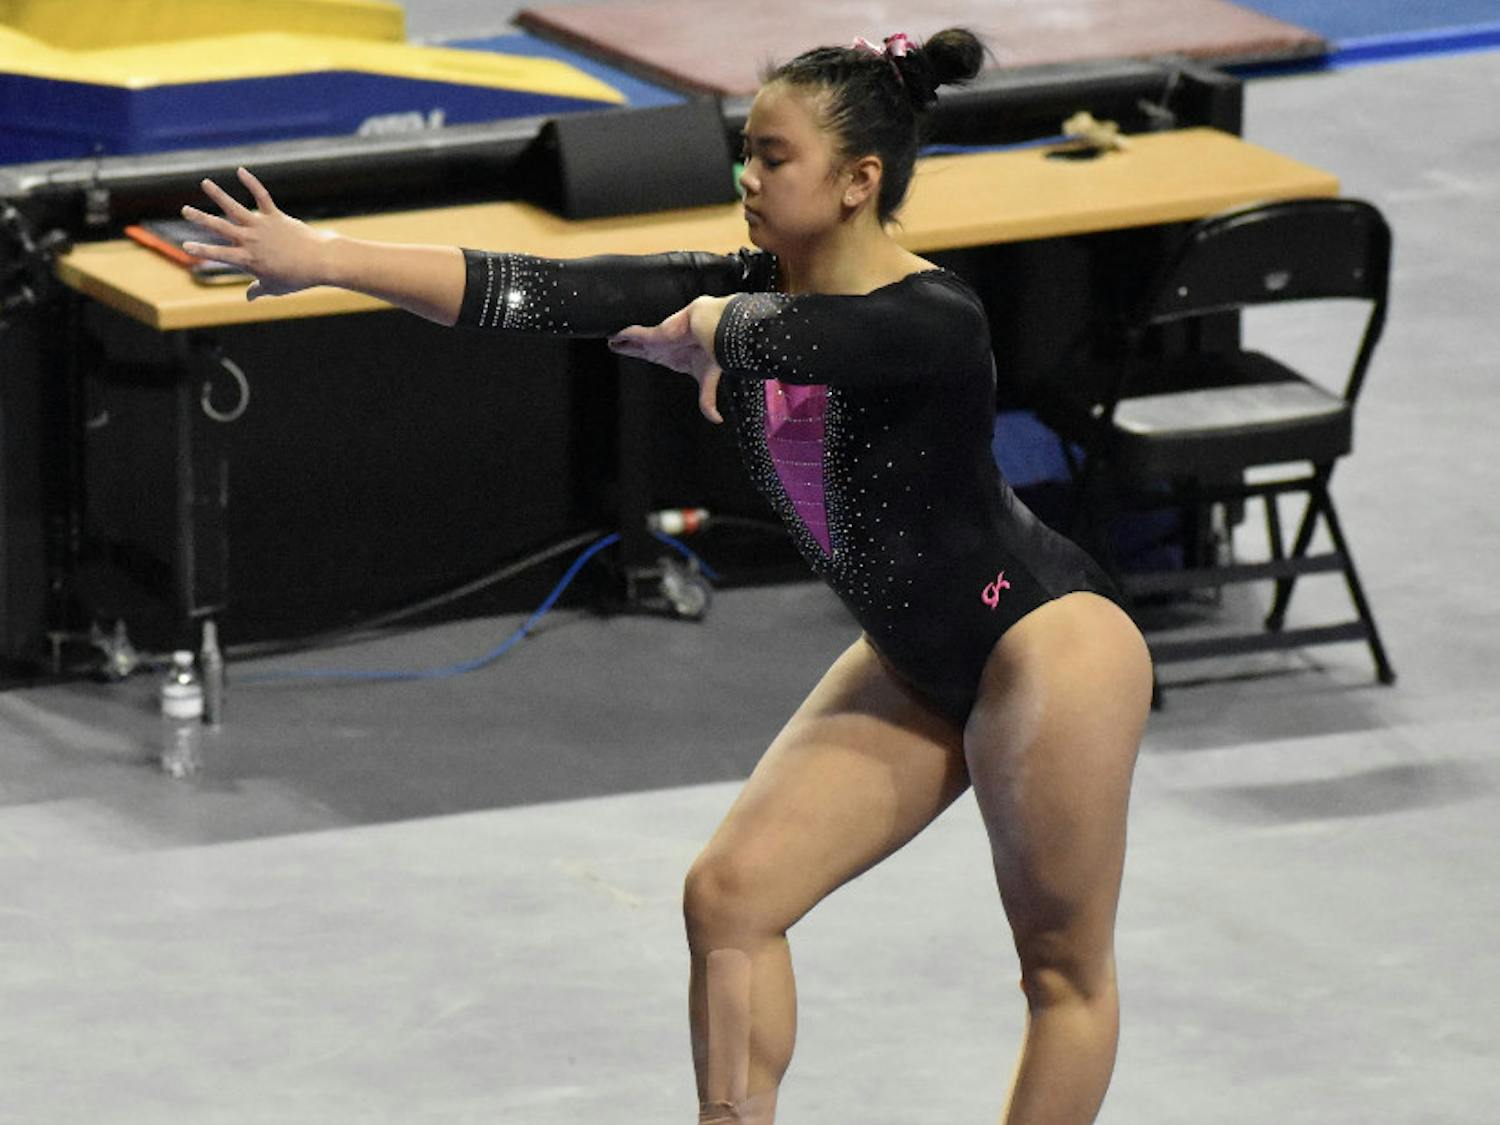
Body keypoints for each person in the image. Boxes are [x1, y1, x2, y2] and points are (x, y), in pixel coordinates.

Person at [182, 27, 1153, 1125]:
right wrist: (326, 258)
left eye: (774, 156)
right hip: (916, 656)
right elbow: (536, 290)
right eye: (747, 148)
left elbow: (829, 338)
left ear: (857, 181)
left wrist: (719, 328)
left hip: (1045, 645)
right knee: (731, 897)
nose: (746, 173)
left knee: (1060, 973)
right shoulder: (748, 291)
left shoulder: (932, 317)